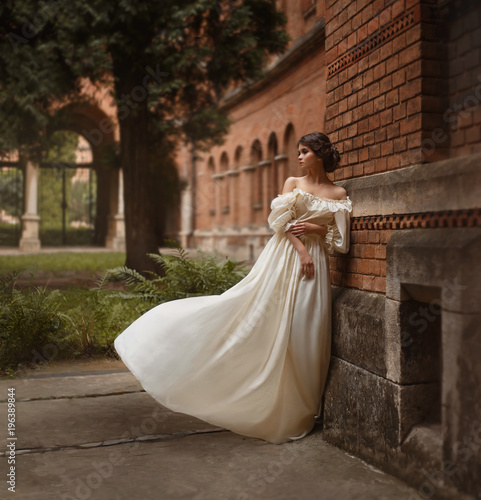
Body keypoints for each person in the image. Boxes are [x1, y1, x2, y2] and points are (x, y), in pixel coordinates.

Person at [114, 131, 352, 444]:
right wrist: (303, 249)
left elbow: (341, 242)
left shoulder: (338, 193)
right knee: (258, 316)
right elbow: (279, 225)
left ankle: (305, 408)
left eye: (305, 151)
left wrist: (315, 229)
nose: (299, 157)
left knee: (308, 331)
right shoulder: (293, 184)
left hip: (316, 267)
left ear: (320, 154)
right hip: (286, 258)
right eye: (298, 151)